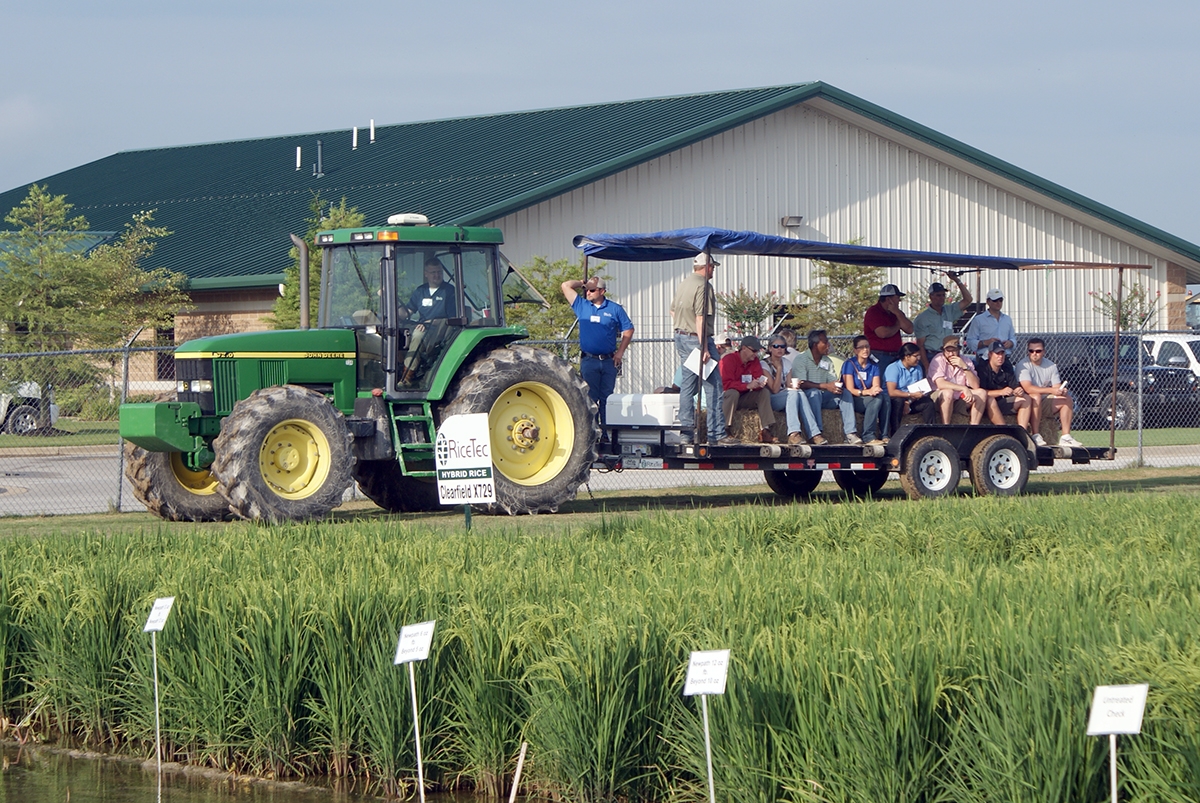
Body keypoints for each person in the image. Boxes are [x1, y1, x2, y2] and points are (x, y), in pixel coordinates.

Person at [670, 253, 736, 446]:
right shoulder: (704, 286)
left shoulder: (684, 283)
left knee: (687, 387)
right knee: (714, 387)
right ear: (706, 267)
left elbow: (672, 310)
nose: (713, 270)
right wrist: (704, 347)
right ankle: (716, 433)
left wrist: (683, 327)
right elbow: (700, 317)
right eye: (713, 267)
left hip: (681, 336)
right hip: (697, 340)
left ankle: (686, 433)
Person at [561, 275, 634, 438]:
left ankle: (606, 434)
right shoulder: (581, 305)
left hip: (608, 361)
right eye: (587, 290)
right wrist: (581, 283)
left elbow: (628, 330)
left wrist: (620, 352)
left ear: (602, 291)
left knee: (607, 398)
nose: (588, 293)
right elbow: (565, 285)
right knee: (590, 398)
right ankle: (593, 434)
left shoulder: (615, 309)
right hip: (589, 360)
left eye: (592, 290)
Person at [399, 258, 459, 384]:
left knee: (417, 335)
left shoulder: (449, 291)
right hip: (422, 326)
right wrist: (394, 307)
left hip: (439, 333)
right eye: (433, 272)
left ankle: (406, 378)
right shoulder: (420, 291)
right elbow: (408, 311)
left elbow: (450, 319)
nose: (436, 275)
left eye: (439, 272)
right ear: (426, 274)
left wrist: (427, 323)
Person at [1017, 337, 1083, 447]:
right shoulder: (1022, 365)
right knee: (1035, 396)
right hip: (1028, 403)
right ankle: (1036, 435)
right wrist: (1051, 390)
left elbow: (1056, 386)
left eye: (1038, 351)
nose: (1034, 354)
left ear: (1044, 352)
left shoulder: (1051, 365)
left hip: (1045, 402)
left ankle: (1066, 437)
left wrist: (1060, 391)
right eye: (1031, 351)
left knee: (1067, 399)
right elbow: (1028, 388)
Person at [786, 329, 841, 445]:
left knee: (845, 394)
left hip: (823, 395)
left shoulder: (827, 360)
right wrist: (825, 386)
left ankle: (851, 432)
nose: (828, 345)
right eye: (825, 342)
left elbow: (831, 381)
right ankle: (816, 433)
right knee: (813, 393)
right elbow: (801, 383)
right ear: (816, 345)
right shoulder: (801, 359)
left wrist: (836, 386)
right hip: (807, 395)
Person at [719, 335, 777, 443]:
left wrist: (759, 384)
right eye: (754, 351)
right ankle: (725, 429)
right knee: (733, 393)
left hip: (745, 396)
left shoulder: (754, 361)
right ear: (744, 348)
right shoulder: (728, 360)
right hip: (729, 398)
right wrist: (746, 386)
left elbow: (757, 377)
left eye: (757, 351)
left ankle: (765, 430)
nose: (756, 354)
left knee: (764, 392)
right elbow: (725, 384)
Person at [912, 276, 973, 370]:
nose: (941, 298)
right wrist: (926, 365)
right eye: (938, 295)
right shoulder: (922, 318)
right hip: (931, 356)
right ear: (930, 296)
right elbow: (920, 345)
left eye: (943, 295)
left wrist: (957, 280)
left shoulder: (949, 310)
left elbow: (968, 300)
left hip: (948, 355)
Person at [975, 341, 1033, 436]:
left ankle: (1022, 433)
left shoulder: (1007, 366)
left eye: (1002, 353)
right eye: (997, 353)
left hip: (1003, 402)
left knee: (1026, 398)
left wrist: (1018, 390)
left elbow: (1014, 385)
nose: (1000, 357)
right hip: (985, 405)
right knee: (990, 400)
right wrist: (1001, 392)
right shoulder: (982, 368)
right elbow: (981, 392)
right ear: (990, 354)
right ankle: (1005, 432)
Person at [928, 335, 987, 424]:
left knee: (982, 393)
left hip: (959, 398)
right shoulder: (938, 359)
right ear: (944, 350)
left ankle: (973, 427)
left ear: (959, 349)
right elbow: (941, 384)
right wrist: (963, 388)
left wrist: (965, 368)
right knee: (948, 392)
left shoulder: (966, 360)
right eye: (948, 351)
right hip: (939, 397)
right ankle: (946, 427)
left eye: (954, 350)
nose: (951, 354)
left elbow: (975, 386)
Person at [840, 335, 886, 445]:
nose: (865, 350)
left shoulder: (873, 365)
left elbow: (876, 385)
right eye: (861, 347)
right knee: (877, 400)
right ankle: (868, 436)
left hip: (867, 397)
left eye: (867, 347)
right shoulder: (849, 364)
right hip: (853, 399)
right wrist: (866, 392)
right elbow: (850, 389)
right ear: (855, 350)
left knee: (883, 398)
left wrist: (874, 390)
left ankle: (885, 435)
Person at [884, 342, 936, 435]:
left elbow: (919, 388)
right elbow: (891, 392)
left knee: (928, 403)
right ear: (907, 357)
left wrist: (909, 401)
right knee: (898, 401)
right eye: (916, 356)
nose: (919, 358)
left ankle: (931, 431)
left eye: (919, 356)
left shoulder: (918, 368)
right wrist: (909, 396)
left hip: (911, 400)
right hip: (894, 400)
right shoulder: (893, 368)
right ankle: (894, 433)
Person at [863, 283, 914, 373]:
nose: (899, 301)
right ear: (888, 299)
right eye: (897, 298)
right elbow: (883, 333)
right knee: (882, 382)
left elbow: (909, 329)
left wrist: (897, 313)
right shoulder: (873, 312)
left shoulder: (896, 313)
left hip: (896, 354)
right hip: (879, 355)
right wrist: (898, 325)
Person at [761, 334, 795, 438]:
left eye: (783, 346)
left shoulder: (787, 363)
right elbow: (774, 390)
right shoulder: (764, 364)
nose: (779, 349)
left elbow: (789, 385)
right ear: (770, 348)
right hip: (771, 399)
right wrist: (779, 369)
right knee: (795, 395)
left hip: (785, 395)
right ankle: (794, 432)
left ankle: (812, 432)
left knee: (800, 394)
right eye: (776, 346)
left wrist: (796, 386)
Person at [965, 288, 1016, 357]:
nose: (998, 303)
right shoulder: (978, 320)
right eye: (995, 300)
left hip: (1004, 357)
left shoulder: (1007, 319)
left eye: (1000, 300)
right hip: (985, 358)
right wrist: (985, 343)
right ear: (988, 302)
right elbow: (970, 341)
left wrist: (1010, 343)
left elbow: (1013, 338)